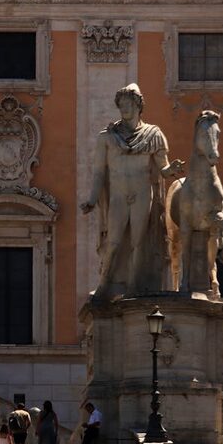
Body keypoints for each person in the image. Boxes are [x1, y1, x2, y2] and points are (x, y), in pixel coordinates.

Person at [80, 83, 184, 299]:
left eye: (128, 103)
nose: (124, 108)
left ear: (138, 105)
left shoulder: (153, 135)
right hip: (118, 196)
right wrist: (91, 199)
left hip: (142, 194)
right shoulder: (107, 137)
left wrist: (172, 169)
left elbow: (163, 169)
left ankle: (135, 286)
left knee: (139, 241)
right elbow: (99, 172)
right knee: (113, 241)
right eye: (121, 104)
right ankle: (104, 283)